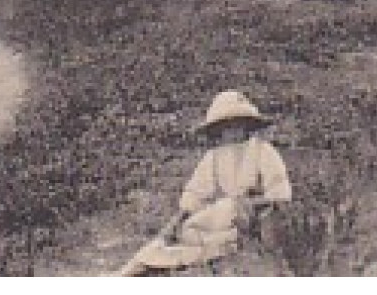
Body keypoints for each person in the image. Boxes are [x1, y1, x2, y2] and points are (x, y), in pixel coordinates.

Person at [119, 89, 293, 276]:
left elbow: (280, 195)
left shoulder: (263, 151)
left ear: (246, 125)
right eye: (225, 126)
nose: (231, 131)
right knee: (184, 233)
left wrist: (248, 204)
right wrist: (173, 224)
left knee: (222, 221)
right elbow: (195, 193)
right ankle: (141, 266)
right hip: (221, 217)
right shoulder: (215, 156)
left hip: (250, 216)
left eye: (237, 124)